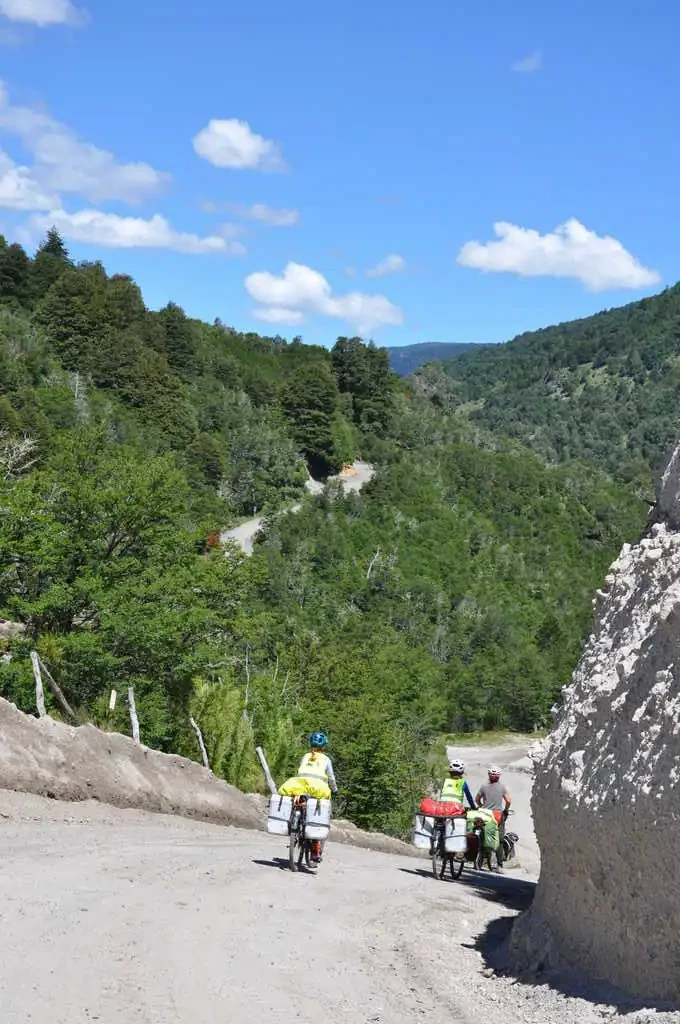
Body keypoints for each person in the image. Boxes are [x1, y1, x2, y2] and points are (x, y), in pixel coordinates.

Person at [297, 731, 337, 863]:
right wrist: (335, 789)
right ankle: (315, 850)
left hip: (300, 786)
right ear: (324, 746)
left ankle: (296, 826)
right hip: (318, 790)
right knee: (318, 816)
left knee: (299, 804)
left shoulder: (305, 756)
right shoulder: (326, 759)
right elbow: (331, 777)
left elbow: (300, 771)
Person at [475, 765, 512, 869]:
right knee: (499, 839)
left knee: (483, 835)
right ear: (499, 776)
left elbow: (477, 799)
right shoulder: (502, 787)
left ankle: (480, 861)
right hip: (497, 816)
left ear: (489, 775)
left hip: (485, 814)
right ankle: (499, 865)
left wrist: (482, 806)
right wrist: (505, 810)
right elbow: (508, 801)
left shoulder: (483, 786)